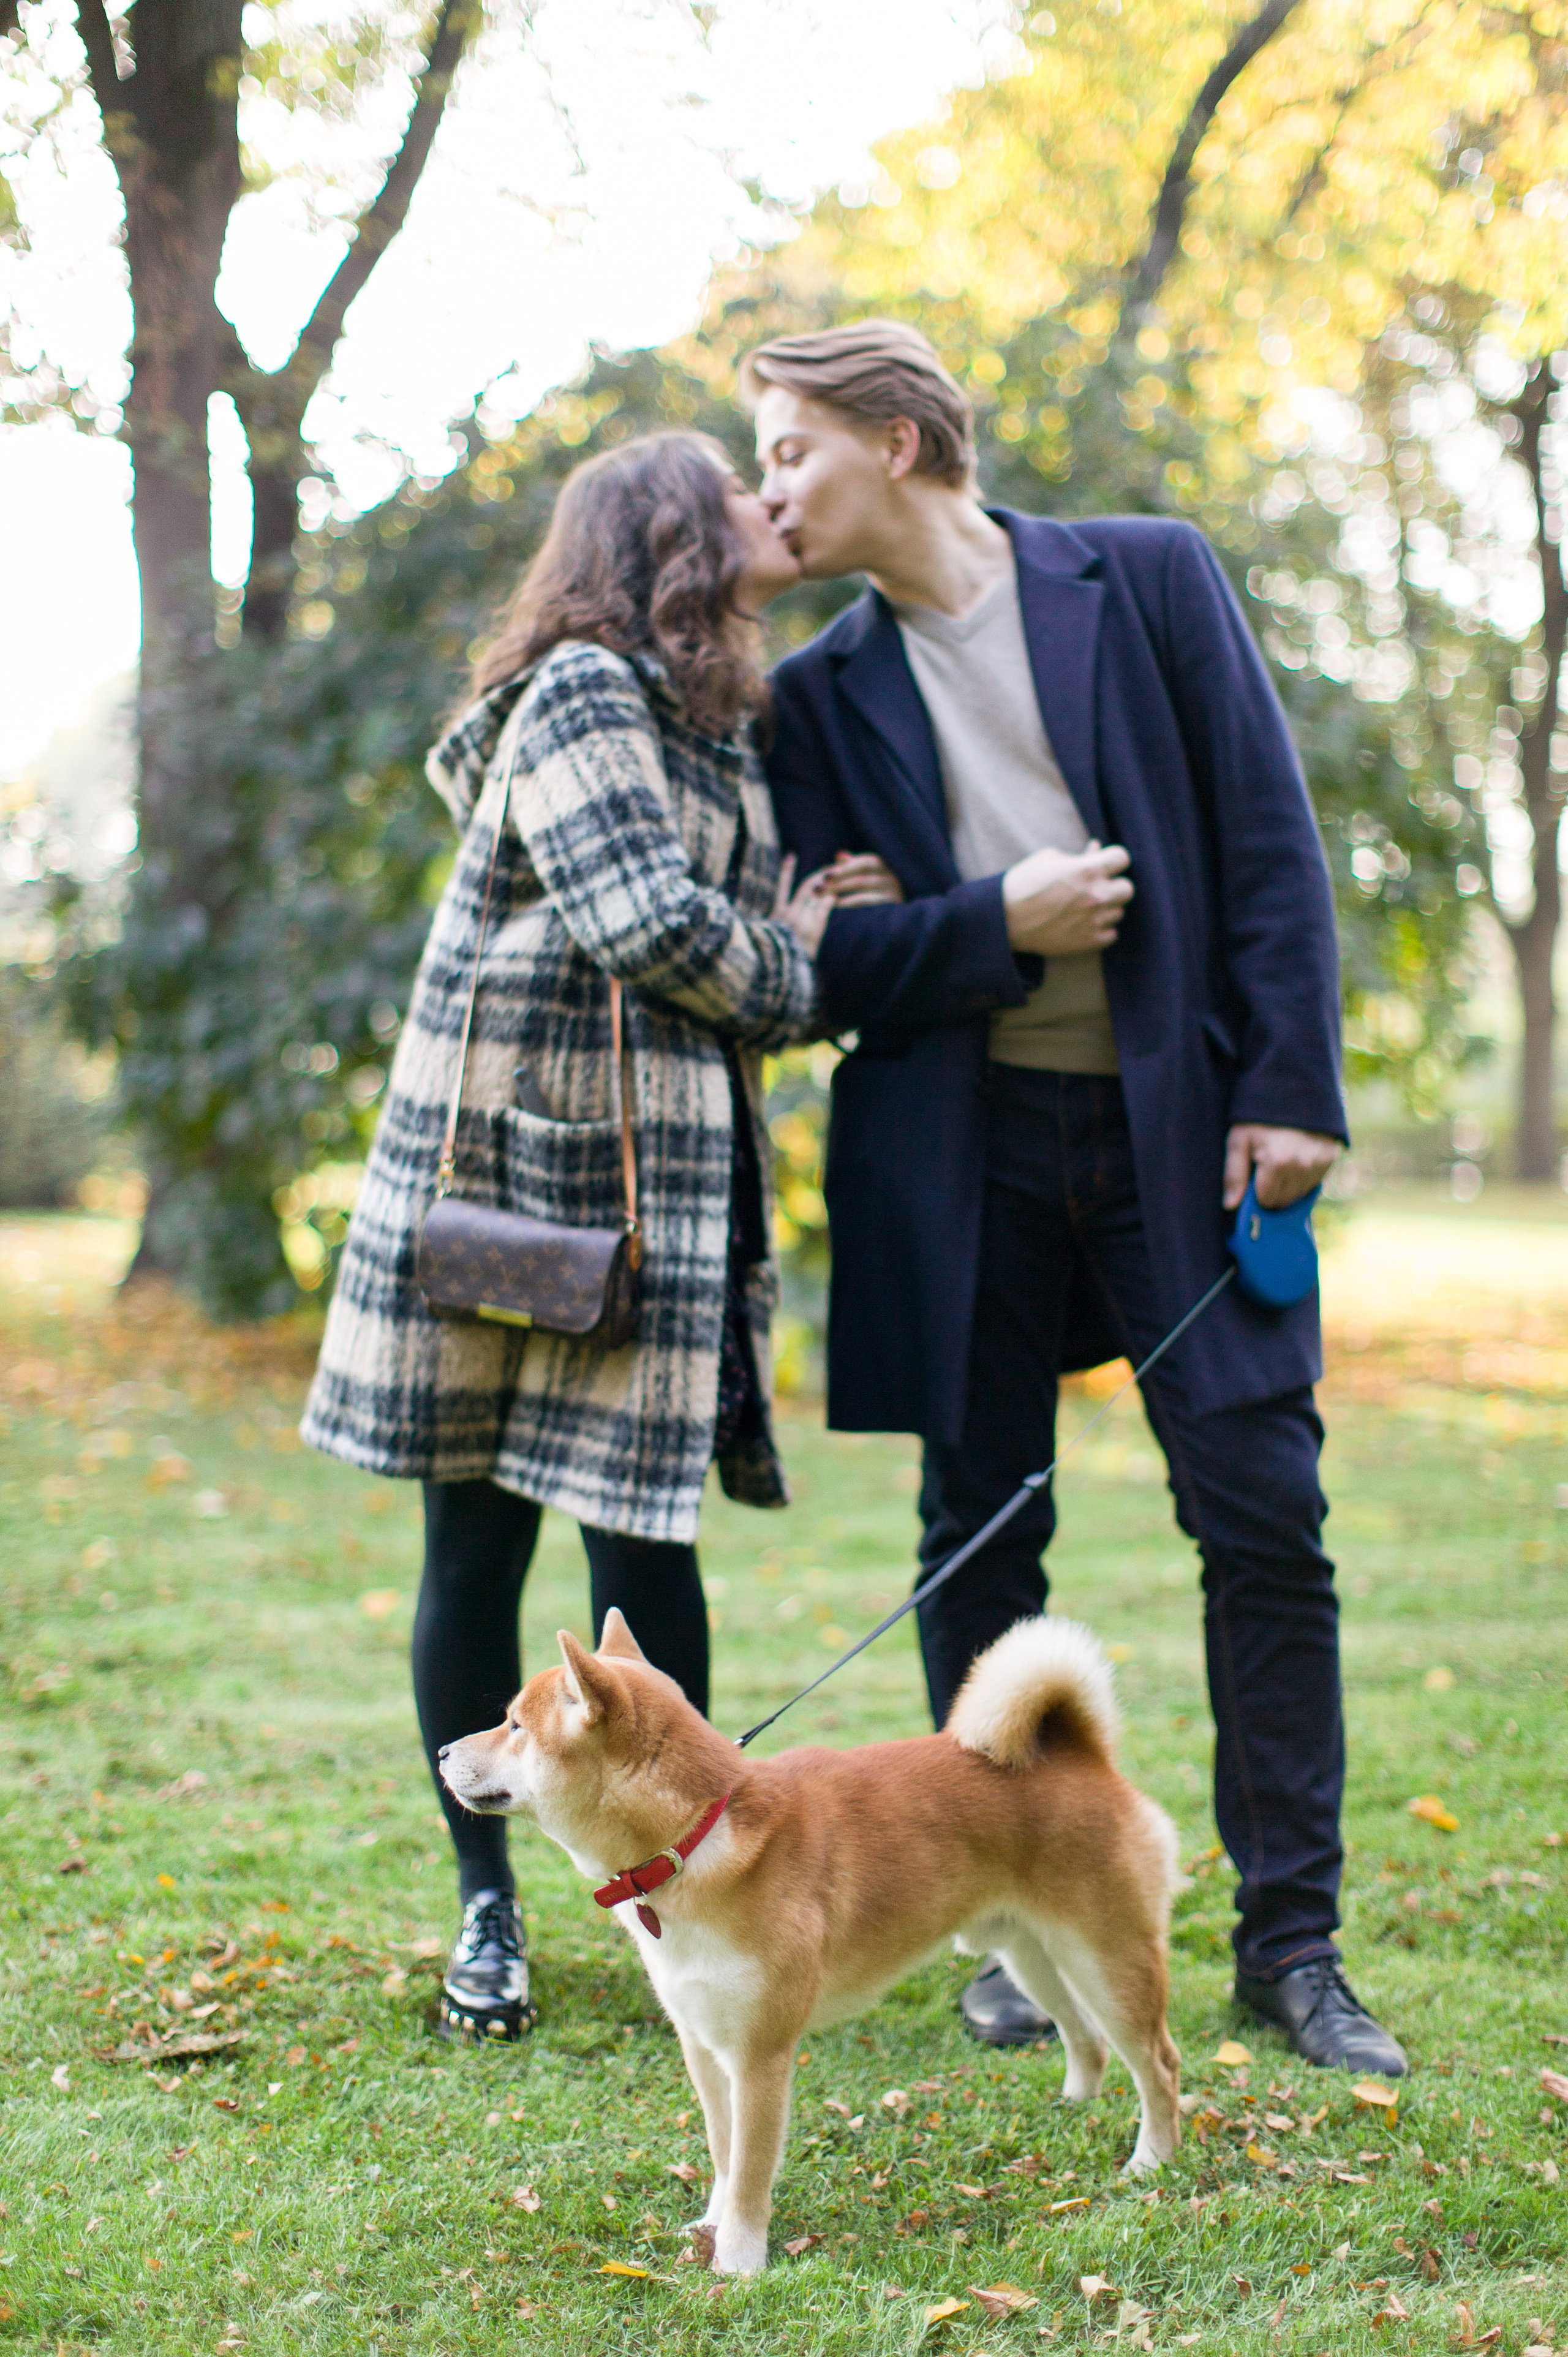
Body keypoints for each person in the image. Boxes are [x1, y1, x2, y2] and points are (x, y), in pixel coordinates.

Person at [743, 319, 1406, 2078]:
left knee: (1264, 1513)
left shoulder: (1153, 579)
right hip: (965, 1160)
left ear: (894, 437)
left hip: (1189, 1135)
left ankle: (1296, 1948)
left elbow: (1266, 834)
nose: (768, 490)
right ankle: (997, 1926)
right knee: (982, 1524)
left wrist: (1290, 1086)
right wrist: (989, 925)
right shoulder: (813, 696)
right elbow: (829, 971)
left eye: (790, 449)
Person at [300, 431, 898, 2042]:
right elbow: (648, 927)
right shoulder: (581, 692)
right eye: (736, 490)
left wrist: (776, 950)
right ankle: (487, 1913)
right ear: (668, 542)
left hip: (656, 1198)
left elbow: (716, 952)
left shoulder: (724, 728)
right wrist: (794, 959)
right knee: (478, 1546)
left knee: (646, 1556)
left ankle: (677, 1889)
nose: (770, 504)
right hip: (506, 1186)